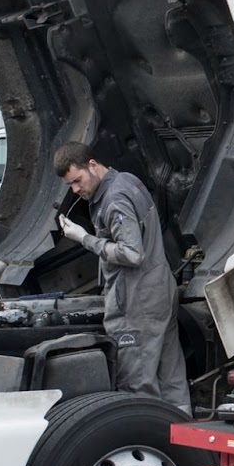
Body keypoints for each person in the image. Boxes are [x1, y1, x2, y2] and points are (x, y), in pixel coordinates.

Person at [52, 142, 190, 412]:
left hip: (137, 303)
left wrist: (85, 239)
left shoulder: (114, 199)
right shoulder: (128, 180)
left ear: (92, 165)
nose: (76, 190)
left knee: (138, 387)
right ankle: (183, 441)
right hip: (160, 290)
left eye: (77, 181)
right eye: (70, 186)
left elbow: (131, 253)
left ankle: (148, 443)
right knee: (171, 378)